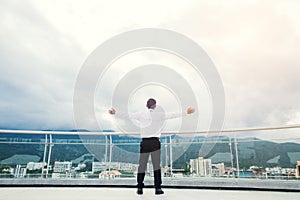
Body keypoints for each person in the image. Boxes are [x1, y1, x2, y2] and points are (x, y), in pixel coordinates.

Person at [108, 98, 195, 195]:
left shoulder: (141, 114)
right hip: (155, 142)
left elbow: (128, 116)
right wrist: (186, 112)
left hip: (145, 143)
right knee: (156, 166)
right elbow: (173, 115)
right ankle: (158, 188)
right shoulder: (159, 115)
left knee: (142, 166)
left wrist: (115, 113)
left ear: (146, 105)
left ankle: (140, 187)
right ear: (155, 106)